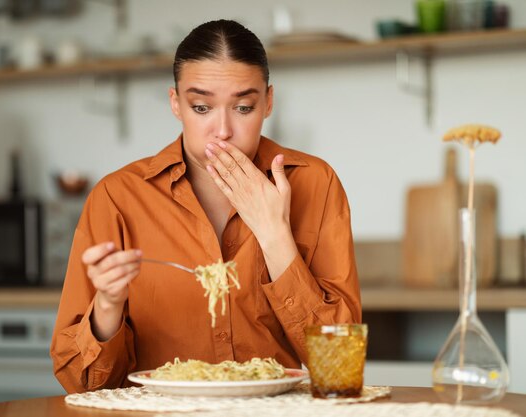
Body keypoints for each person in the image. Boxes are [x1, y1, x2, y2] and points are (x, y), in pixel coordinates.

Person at [50, 19, 361, 393]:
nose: (223, 130)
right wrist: (107, 306)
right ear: (175, 104)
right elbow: (79, 382)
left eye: (244, 108)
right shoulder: (117, 197)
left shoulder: (315, 182)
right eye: (201, 107)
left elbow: (341, 367)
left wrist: (275, 235)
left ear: (268, 102)